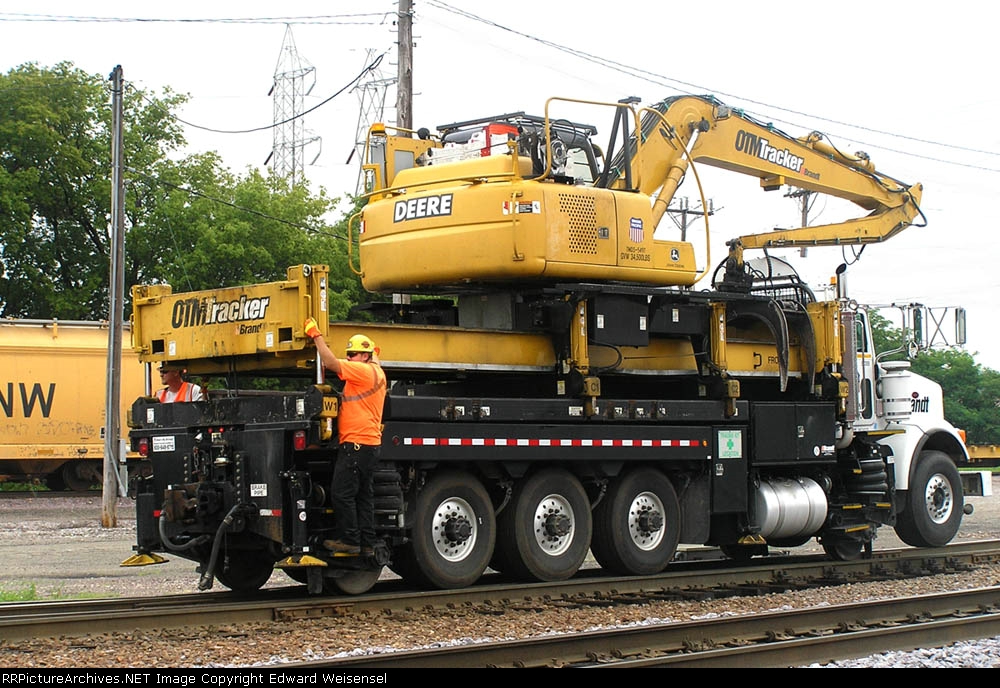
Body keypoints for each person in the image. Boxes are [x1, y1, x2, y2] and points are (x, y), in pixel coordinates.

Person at [304, 318, 386, 557]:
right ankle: (367, 543)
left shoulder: (361, 372)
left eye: (354, 354)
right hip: (369, 445)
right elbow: (376, 359)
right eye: (349, 354)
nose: (350, 357)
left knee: (342, 493)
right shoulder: (378, 372)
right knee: (363, 496)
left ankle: (349, 540)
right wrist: (374, 351)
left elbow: (329, 362)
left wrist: (316, 335)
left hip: (356, 445)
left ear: (365, 356)